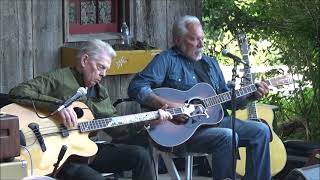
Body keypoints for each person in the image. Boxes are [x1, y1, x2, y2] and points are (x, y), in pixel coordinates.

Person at [128, 15, 271, 180]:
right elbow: (136, 87)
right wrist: (168, 106)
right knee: (228, 136)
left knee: (261, 130)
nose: (201, 44)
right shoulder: (166, 60)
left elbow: (226, 100)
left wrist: (251, 95)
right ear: (178, 40)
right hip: (184, 130)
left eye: (202, 39)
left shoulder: (211, 63)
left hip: (216, 122)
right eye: (194, 39)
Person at [9, 39, 171, 180]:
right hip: (60, 158)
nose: (104, 74)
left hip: (85, 150)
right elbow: (19, 92)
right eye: (100, 67)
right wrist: (58, 106)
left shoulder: (100, 92)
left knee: (140, 155)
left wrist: (149, 120)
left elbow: (119, 130)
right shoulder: (58, 78)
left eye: (106, 69)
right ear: (85, 60)